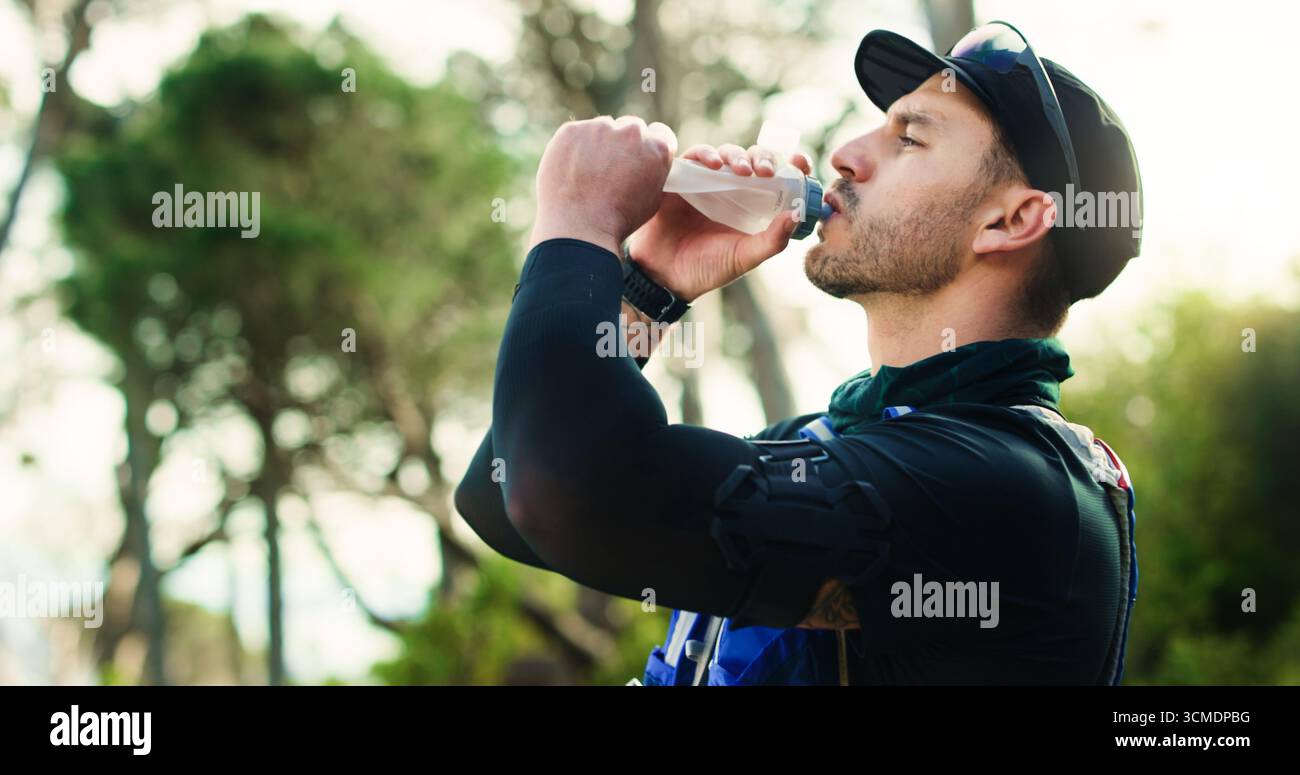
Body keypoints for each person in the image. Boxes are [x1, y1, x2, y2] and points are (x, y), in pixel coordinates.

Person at [454, 21, 1143, 685]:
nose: (846, 152)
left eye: (909, 138)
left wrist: (576, 222)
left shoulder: (1008, 489)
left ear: (1011, 220)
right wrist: (648, 285)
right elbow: (503, 494)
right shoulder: (834, 443)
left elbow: (562, 490)